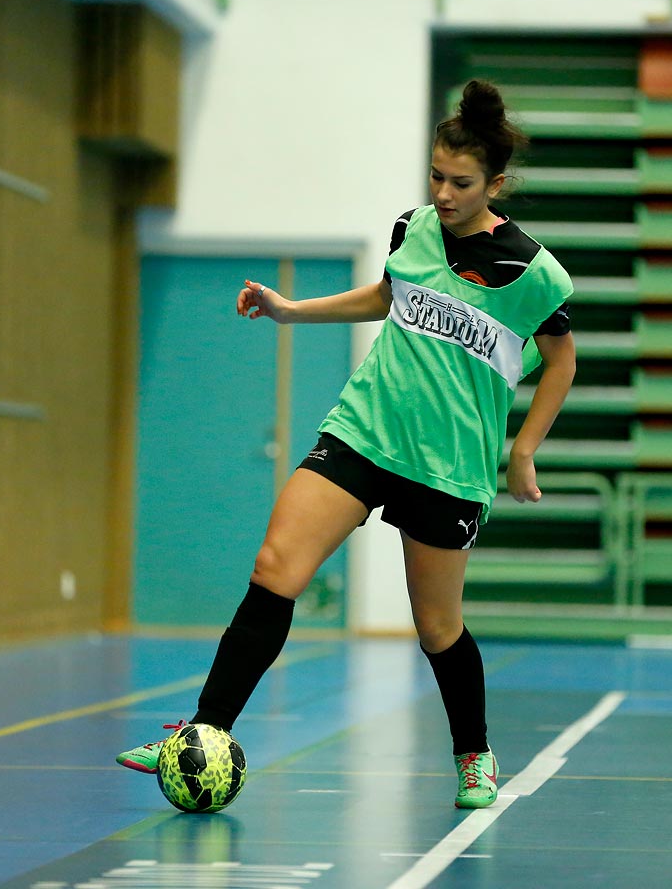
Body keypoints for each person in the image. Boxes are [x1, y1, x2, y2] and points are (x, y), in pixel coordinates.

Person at [116, 80, 577, 810]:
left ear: (494, 183)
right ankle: (202, 732)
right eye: (436, 176)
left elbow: (562, 360)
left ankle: (474, 754)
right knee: (274, 568)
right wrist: (291, 311)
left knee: (436, 626)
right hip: (365, 431)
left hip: (448, 465)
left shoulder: (531, 270)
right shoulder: (413, 229)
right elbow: (388, 296)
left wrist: (523, 450)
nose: (444, 194)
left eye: (461, 183)